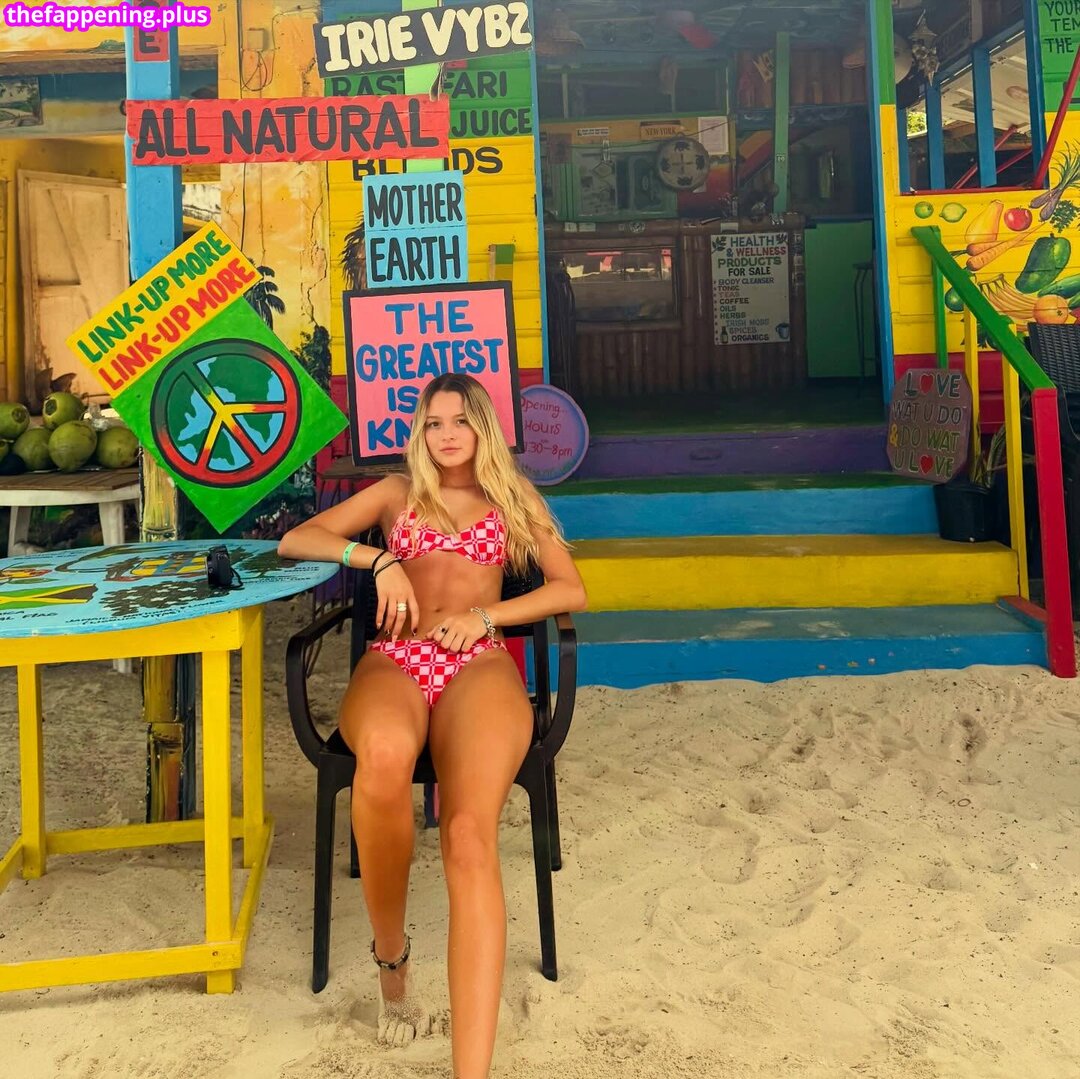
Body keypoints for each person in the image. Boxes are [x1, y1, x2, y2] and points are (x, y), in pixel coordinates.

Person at [278, 373, 587, 1079]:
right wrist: (378, 558)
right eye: (434, 422)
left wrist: (485, 616)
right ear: (420, 431)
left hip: (479, 662)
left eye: (461, 421)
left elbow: (570, 588)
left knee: (468, 834)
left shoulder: (513, 498)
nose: (447, 435)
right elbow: (298, 540)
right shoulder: (396, 494)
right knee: (383, 755)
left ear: (484, 428)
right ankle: (393, 965)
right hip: (397, 657)